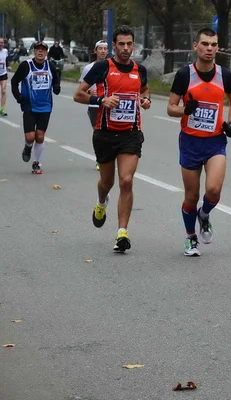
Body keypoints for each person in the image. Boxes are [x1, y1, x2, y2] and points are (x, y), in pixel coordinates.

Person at [73, 25, 151, 253]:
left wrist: (145, 101)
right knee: (106, 183)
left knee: (126, 180)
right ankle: (101, 202)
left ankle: (122, 234)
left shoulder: (140, 70)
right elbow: (78, 94)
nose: (126, 48)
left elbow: (144, 91)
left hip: (131, 133)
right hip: (105, 133)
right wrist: (101, 101)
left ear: (133, 45)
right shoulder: (102, 67)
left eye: (129, 44)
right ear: (114, 46)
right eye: (121, 44)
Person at [167, 28, 231, 256]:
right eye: (205, 44)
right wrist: (184, 111)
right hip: (190, 142)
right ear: (195, 46)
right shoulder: (184, 75)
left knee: (214, 190)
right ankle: (190, 237)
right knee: (191, 196)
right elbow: (170, 107)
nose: (209, 48)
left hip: (215, 141)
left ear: (218, 47)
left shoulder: (225, 75)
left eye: (213, 44)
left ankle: (204, 214)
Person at [11, 41, 61, 174]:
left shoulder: (50, 65)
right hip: (29, 106)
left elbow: (56, 80)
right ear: (34, 51)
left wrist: (56, 87)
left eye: (43, 50)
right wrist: (18, 96)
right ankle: (28, 147)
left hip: (45, 106)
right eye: (37, 49)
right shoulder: (26, 66)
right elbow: (14, 81)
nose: (40, 52)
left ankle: (36, 162)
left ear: (46, 52)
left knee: (39, 136)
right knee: (30, 137)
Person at [79, 40, 109, 171]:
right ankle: (100, 159)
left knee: (108, 133)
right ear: (95, 51)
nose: (102, 51)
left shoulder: (110, 67)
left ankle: (107, 158)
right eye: (100, 48)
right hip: (94, 106)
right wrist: (89, 92)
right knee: (98, 133)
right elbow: (80, 90)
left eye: (105, 49)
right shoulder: (88, 68)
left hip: (108, 105)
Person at [0, 37, 8, 116]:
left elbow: (6, 60)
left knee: (3, 91)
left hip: (3, 74)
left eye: (2, 42)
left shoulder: (5, 51)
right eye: (0, 42)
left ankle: (2, 109)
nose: (1, 44)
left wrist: (8, 66)